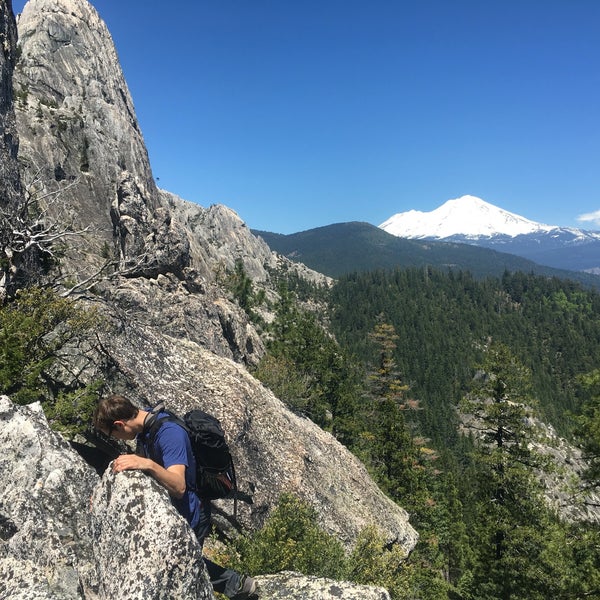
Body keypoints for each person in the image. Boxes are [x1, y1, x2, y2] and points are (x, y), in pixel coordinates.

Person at [93, 394, 258, 600]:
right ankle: (237, 584)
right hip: (175, 511)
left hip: (192, 511)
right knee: (181, 563)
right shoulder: (146, 426)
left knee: (179, 569)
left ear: (119, 424)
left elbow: (179, 486)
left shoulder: (169, 434)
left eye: (112, 434)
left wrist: (148, 464)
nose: (115, 439)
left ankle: (237, 583)